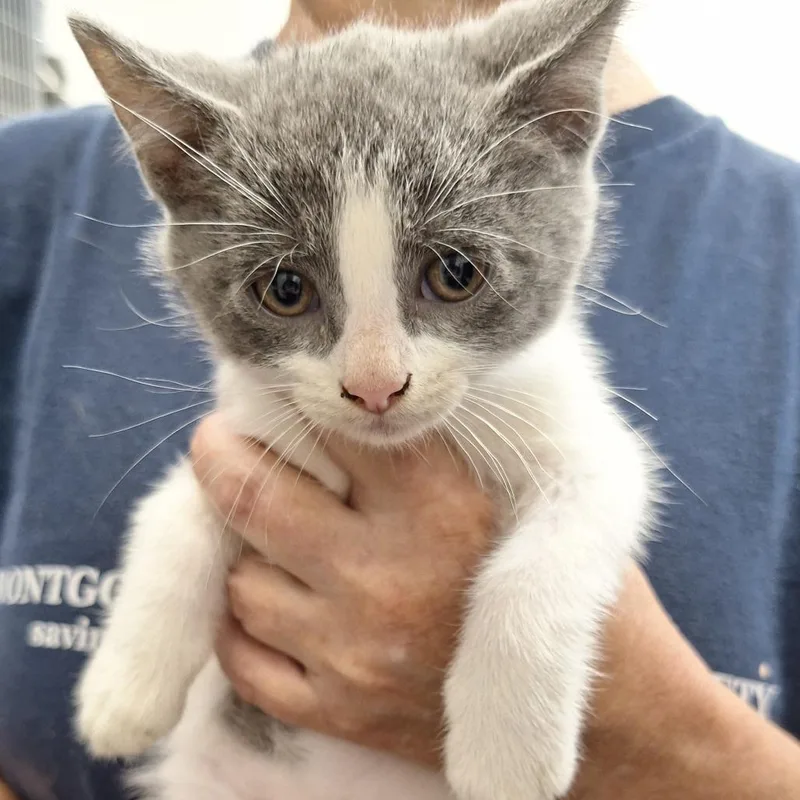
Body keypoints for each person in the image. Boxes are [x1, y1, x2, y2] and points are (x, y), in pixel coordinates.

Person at [1, 1, 799, 798]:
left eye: (455, 274)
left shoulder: (772, 241)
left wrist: (642, 732)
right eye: (286, 289)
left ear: (564, 126)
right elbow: (216, 492)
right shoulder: (28, 192)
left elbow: (592, 481)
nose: (375, 382)